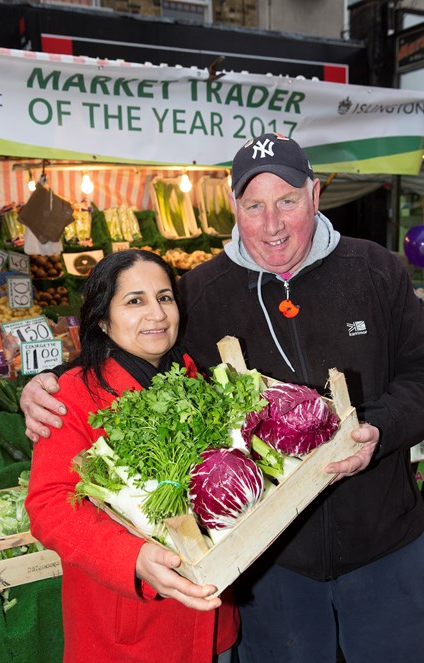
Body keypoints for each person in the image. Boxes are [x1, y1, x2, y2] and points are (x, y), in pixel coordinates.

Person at [21, 134, 424, 663]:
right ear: (234, 207)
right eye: (254, 205)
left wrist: (381, 428)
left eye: (287, 201)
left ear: (316, 194)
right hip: (273, 565)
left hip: (385, 542)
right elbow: (131, 344)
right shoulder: (203, 292)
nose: (271, 223)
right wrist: (49, 378)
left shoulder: (377, 270)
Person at [24, 249, 239, 663]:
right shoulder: (70, 396)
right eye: (134, 301)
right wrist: (131, 558)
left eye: (164, 297)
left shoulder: (196, 376)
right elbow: (49, 506)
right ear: (103, 320)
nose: (156, 314)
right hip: (131, 630)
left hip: (212, 621)